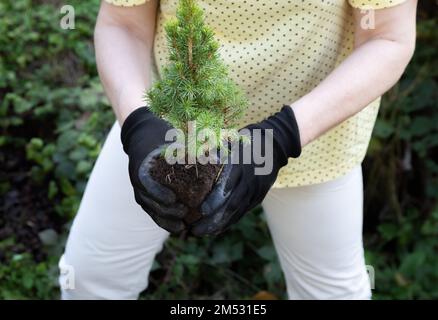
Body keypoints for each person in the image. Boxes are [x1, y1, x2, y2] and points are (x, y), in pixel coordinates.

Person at [59, 0, 417, 299]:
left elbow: (387, 37)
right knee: (90, 279)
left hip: (313, 139)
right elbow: (124, 24)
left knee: (331, 293)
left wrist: (281, 137)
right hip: (169, 132)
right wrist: (138, 123)